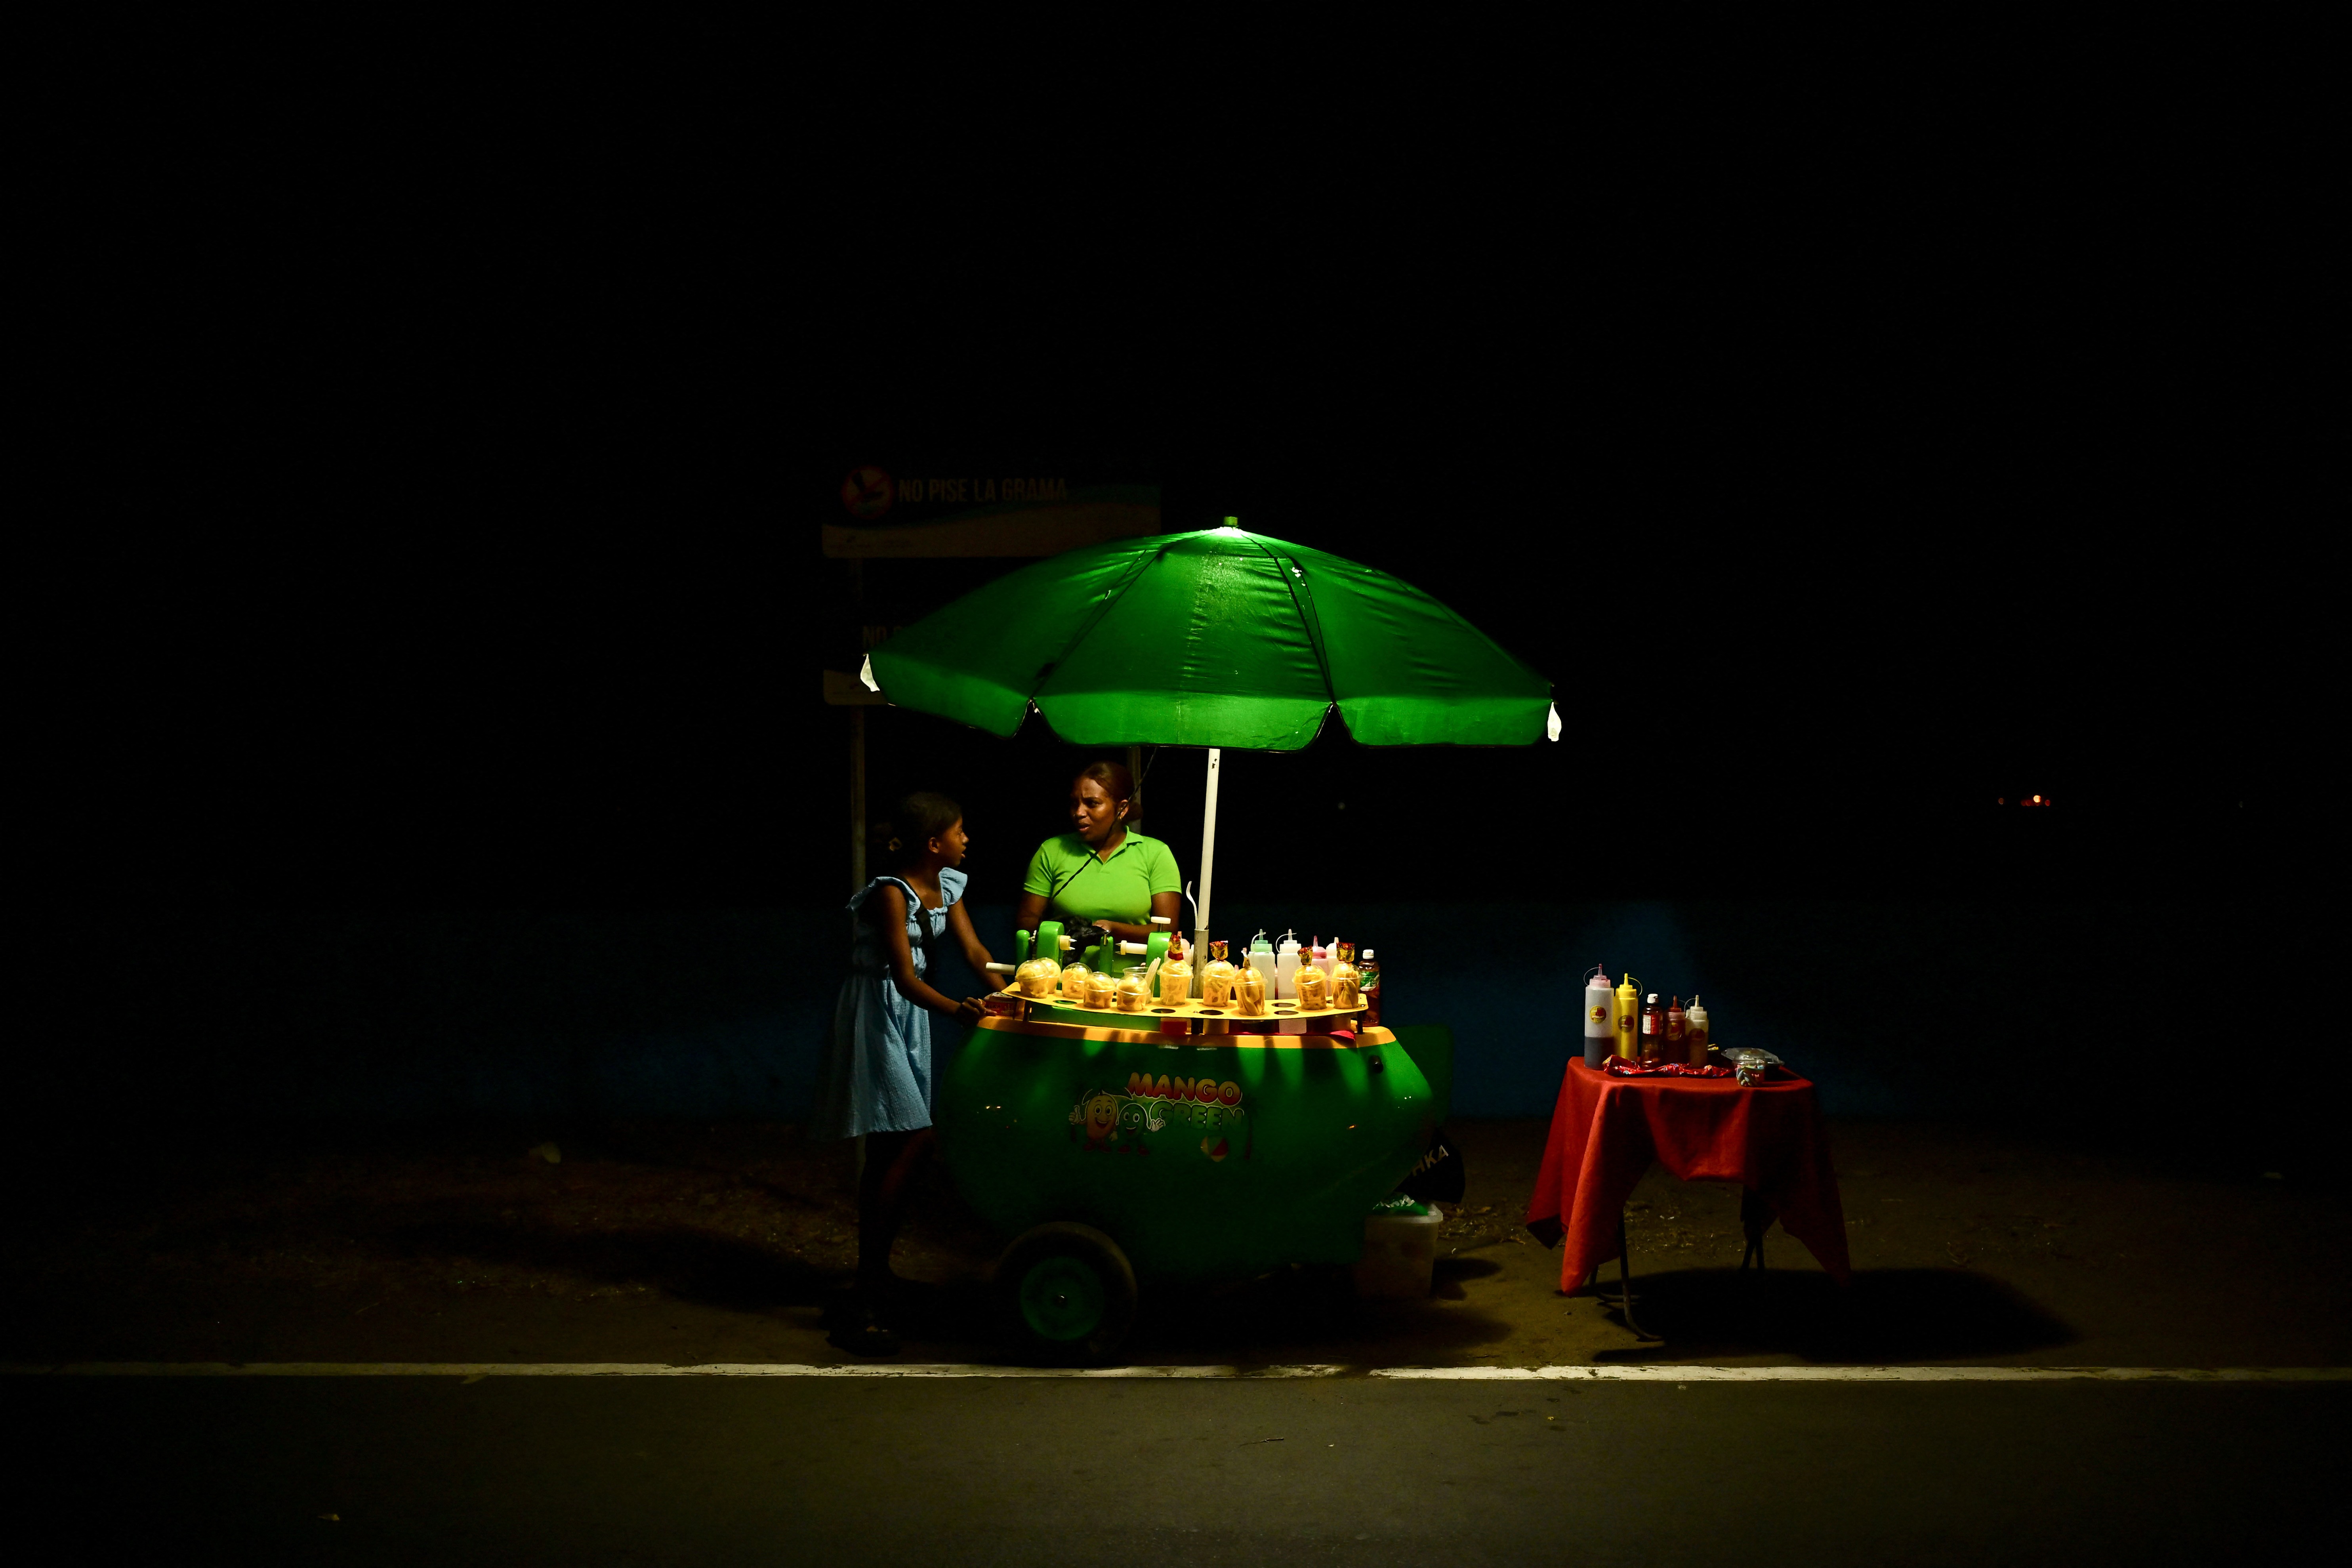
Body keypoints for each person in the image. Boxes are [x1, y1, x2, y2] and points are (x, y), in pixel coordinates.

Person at [811, 791, 995, 1355]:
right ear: (934, 843)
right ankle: (869, 1283)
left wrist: (1014, 989)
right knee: (912, 1137)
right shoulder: (892, 893)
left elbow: (974, 952)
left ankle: (875, 1272)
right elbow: (904, 976)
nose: (968, 841)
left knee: (894, 1147)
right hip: (878, 1009)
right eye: (961, 832)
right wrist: (960, 1011)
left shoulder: (950, 887)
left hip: (910, 1014)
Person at [1015, 759, 1183, 947]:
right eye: (1074, 803)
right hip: (1063, 973)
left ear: (1122, 809)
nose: (1079, 812)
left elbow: (1168, 932)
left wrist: (1114, 930)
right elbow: (1027, 920)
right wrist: (1064, 933)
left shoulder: (1156, 854)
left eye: (1092, 804)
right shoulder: (1052, 850)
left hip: (1135, 974)